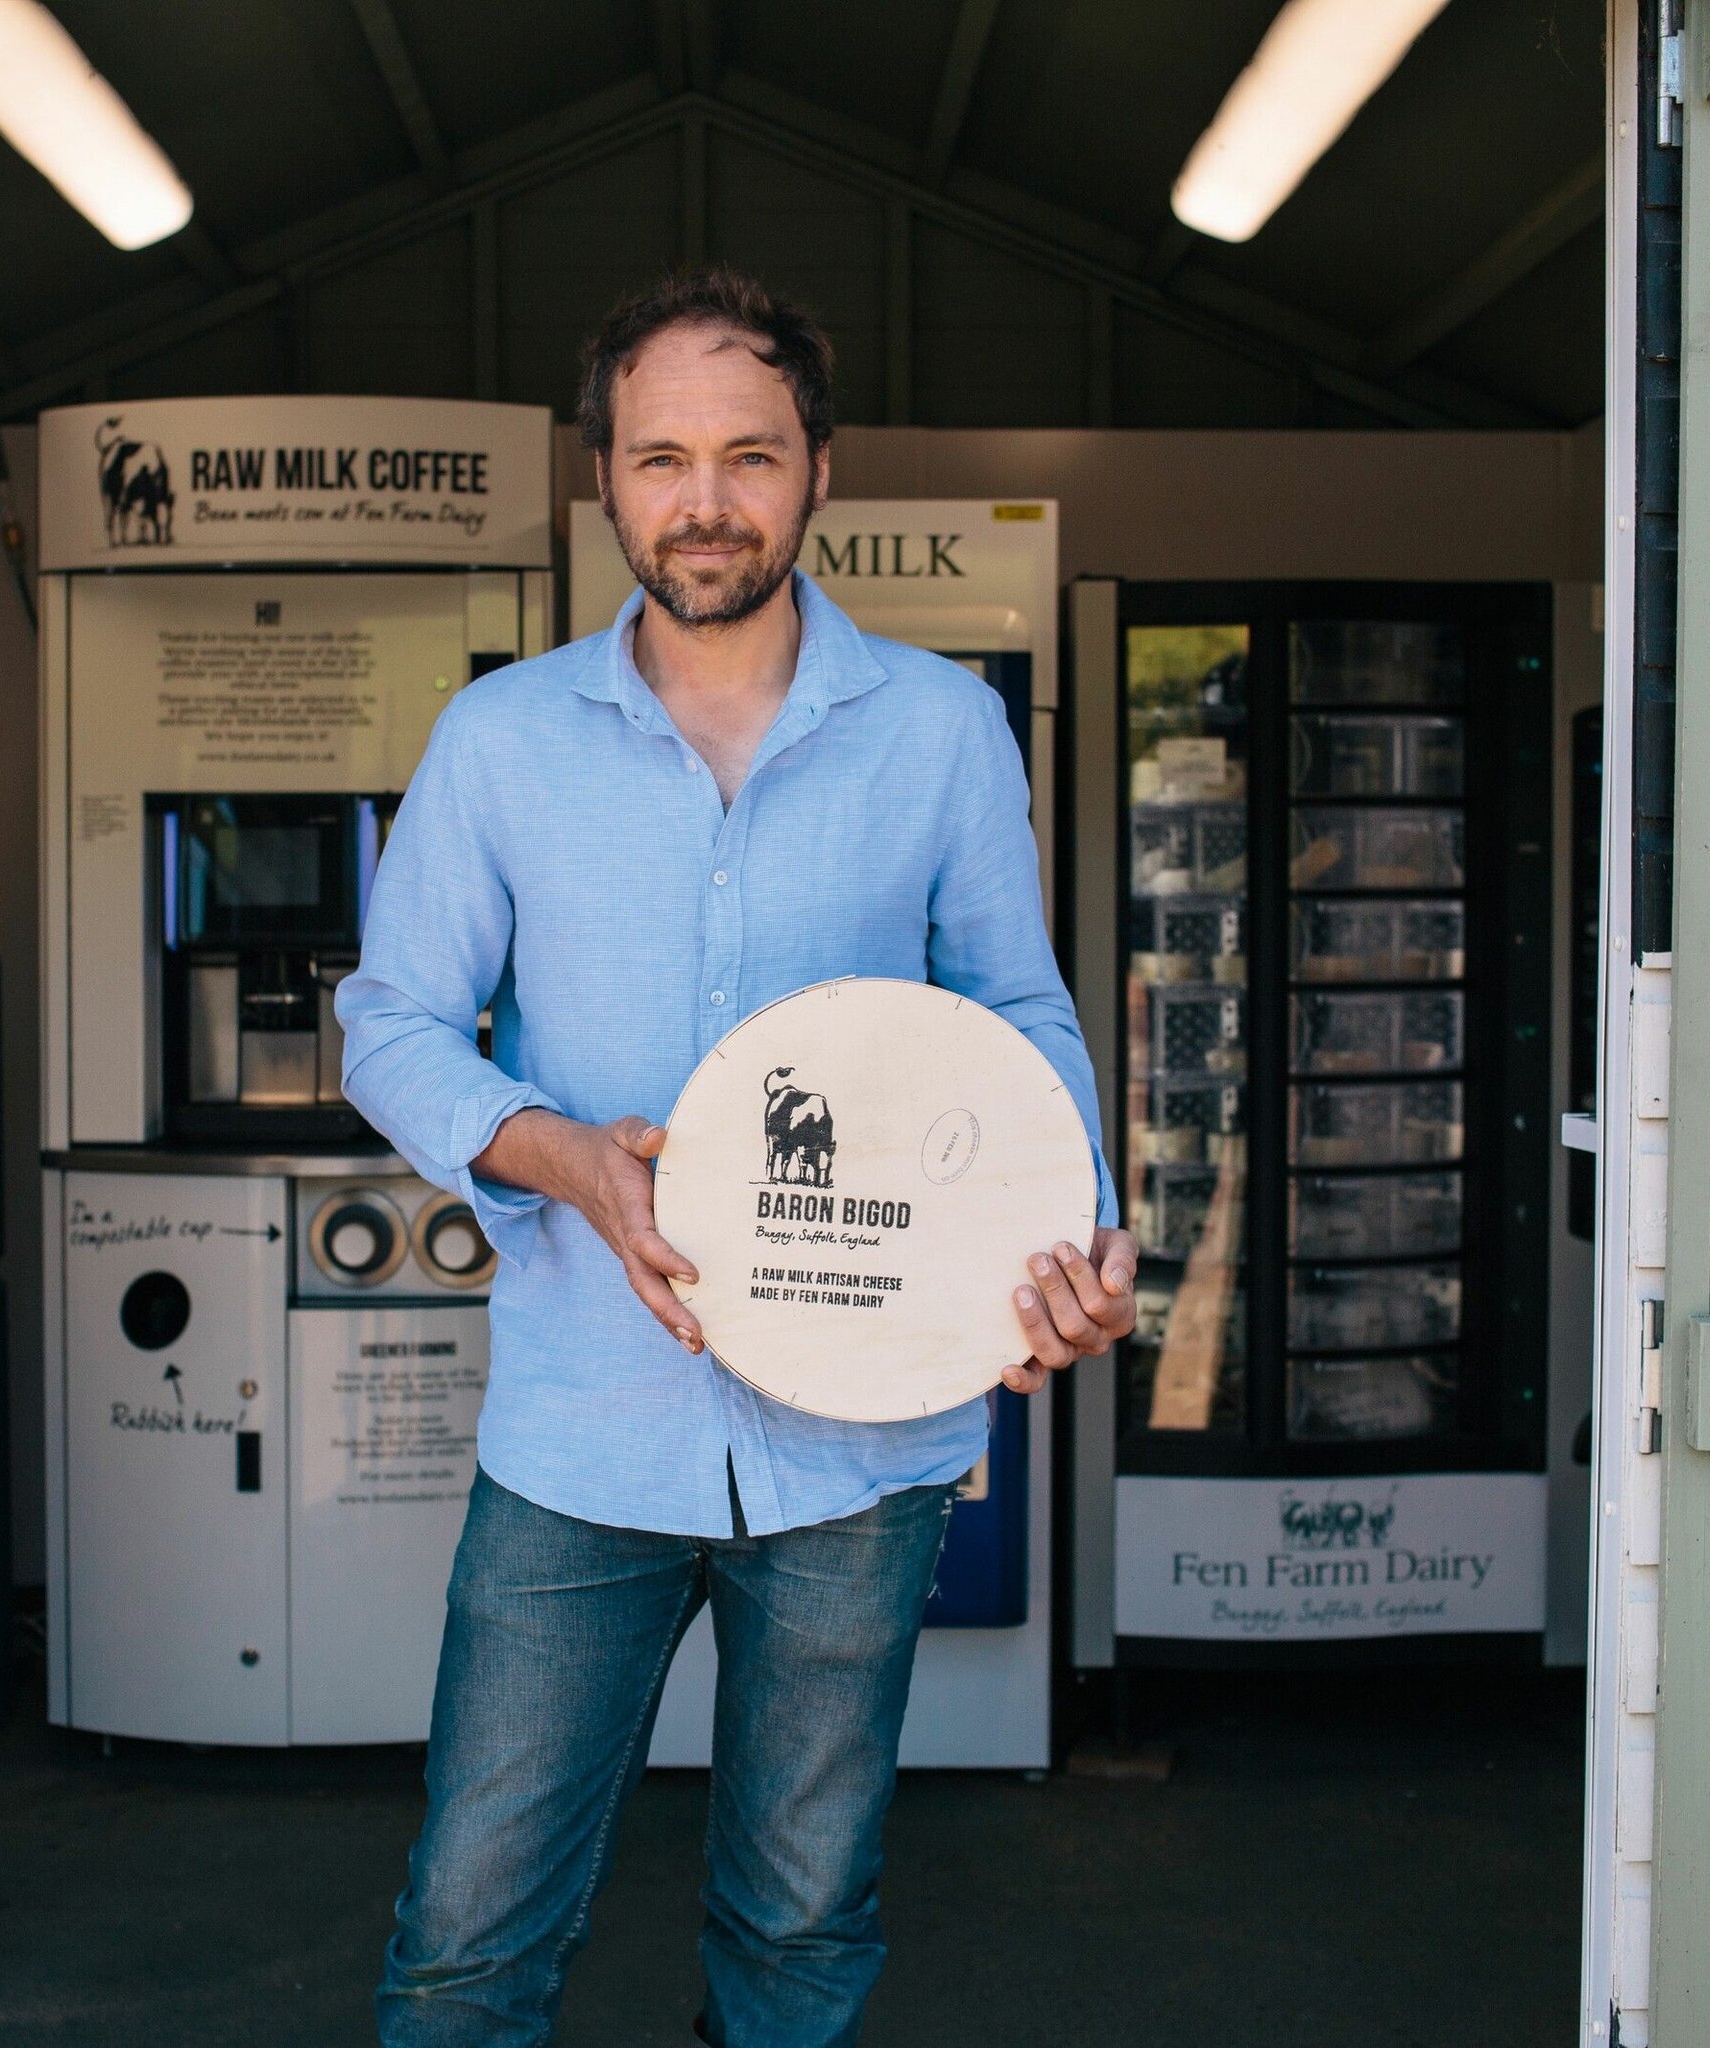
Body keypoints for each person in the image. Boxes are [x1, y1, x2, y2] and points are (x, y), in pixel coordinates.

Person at [341, 266, 1139, 2048]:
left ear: (820, 471)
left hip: (861, 1454)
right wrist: (554, 1152)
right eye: (662, 458)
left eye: (750, 456)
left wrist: (1078, 1229)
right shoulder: (502, 741)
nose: (705, 502)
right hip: (580, 1434)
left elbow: (1017, 1011)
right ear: (606, 481)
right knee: (468, 1935)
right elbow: (390, 1026)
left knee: (798, 1929)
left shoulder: (937, 731)